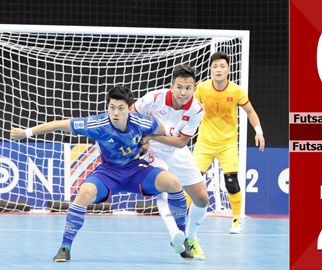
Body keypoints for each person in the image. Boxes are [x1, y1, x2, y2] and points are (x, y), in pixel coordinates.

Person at [10, 85, 193, 262]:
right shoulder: (97, 124)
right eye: (112, 107)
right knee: (84, 192)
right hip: (108, 173)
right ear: (107, 106)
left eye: (120, 108)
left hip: (135, 169)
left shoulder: (144, 122)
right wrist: (25, 133)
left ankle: (182, 237)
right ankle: (65, 246)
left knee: (173, 182)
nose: (115, 113)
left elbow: (161, 132)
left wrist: (147, 143)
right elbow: (60, 125)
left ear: (130, 108)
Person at [132, 64, 208, 260]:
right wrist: (140, 141)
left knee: (202, 199)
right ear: (171, 86)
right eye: (180, 87)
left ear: (194, 88)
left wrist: (153, 136)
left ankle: (190, 238)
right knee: (164, 186)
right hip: (154, 152)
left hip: (176, 150)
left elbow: (182, 142)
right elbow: (132, 113)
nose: (183, 92)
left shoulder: (197, 109)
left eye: (188, 88)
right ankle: (175, 234)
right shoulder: (154, 98)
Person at [193, 52, 265, 234]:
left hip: (227, 143)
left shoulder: (236, 91)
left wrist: (259, 132)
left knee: (231, 182)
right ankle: (185, 218)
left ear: (228, 70)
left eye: (222, 66)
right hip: (204, 143)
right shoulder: (201, 88)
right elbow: (190, 109)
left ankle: (235, 222)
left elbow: (250, 111)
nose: (218, 69)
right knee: (191, 180)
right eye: (215, 66)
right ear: (210, 70)